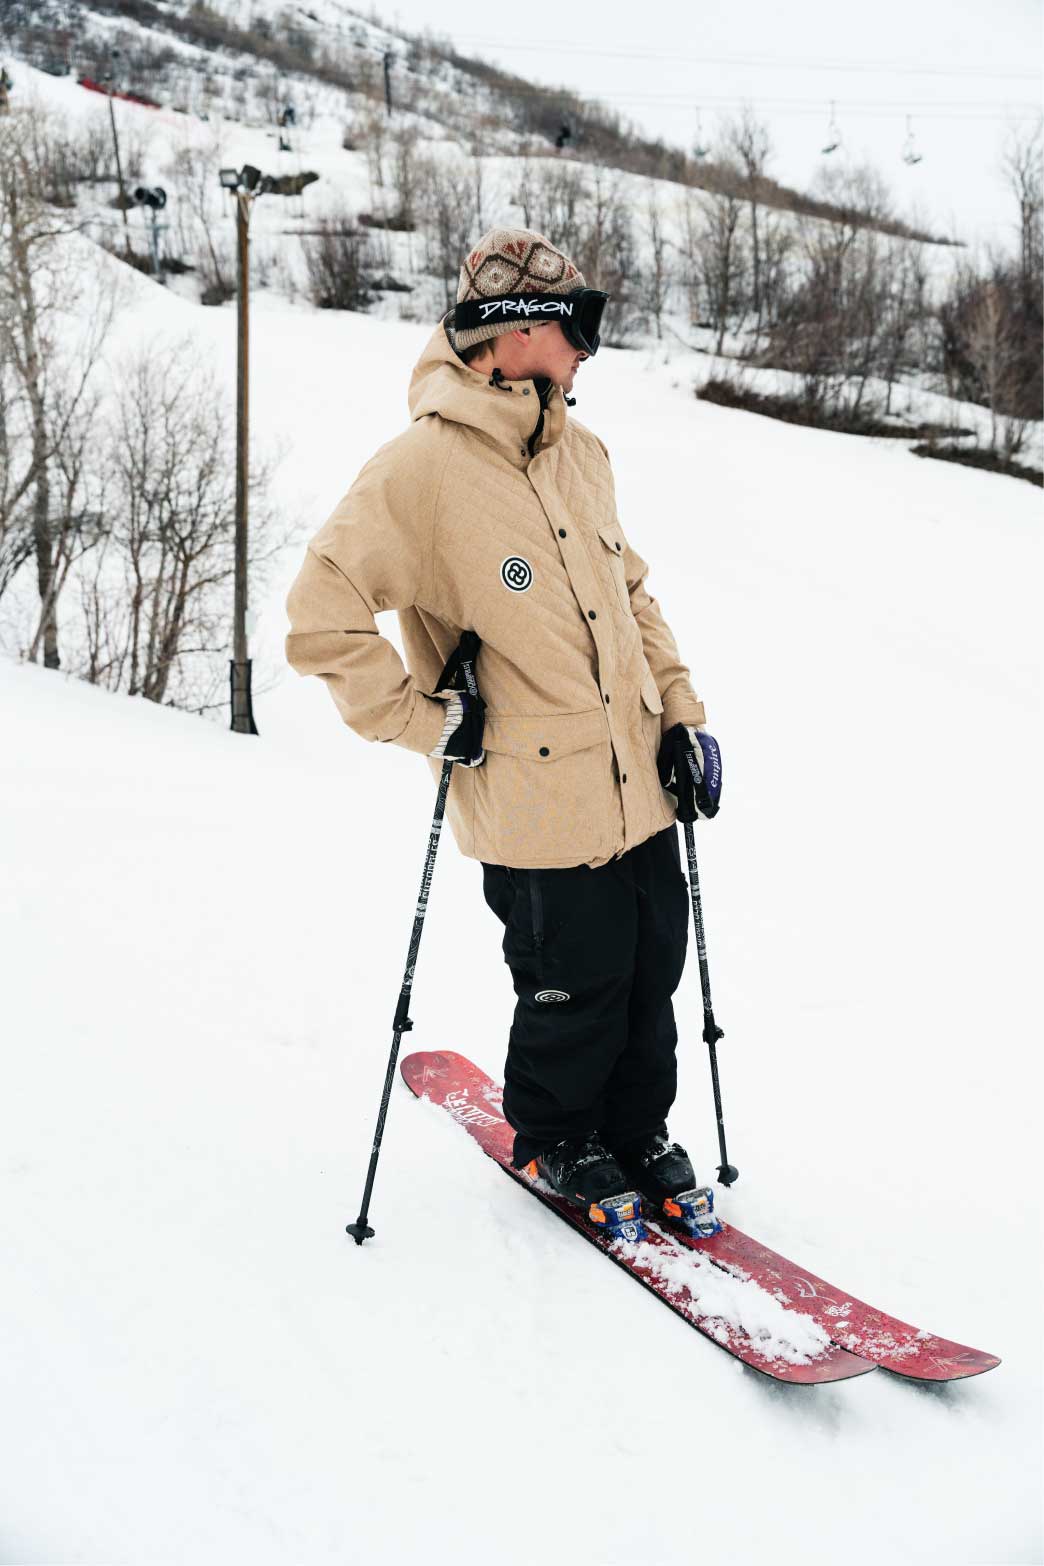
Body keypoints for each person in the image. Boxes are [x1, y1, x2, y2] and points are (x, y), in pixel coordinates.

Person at [285, 227, 723, 1236]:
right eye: (580, 327)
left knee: (652, 966)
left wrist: (681, 714)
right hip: (534, 800)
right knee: (576, 985)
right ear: (517, 333)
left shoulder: (584, 454)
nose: (588, 350)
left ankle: (635, 1128)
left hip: (637, 784)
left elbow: (633, 593)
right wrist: (424, 722)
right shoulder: (424, 470)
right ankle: (560, 1134)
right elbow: (322, 614)